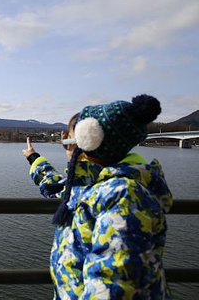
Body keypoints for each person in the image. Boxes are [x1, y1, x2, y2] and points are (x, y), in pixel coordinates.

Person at [22, 95, 172, 299]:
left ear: (89, 143)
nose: (66, 146)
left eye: (69, 141)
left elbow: (113, 286)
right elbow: (60, 188)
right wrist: (34, 158)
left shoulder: (123, 195)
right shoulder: (93, 186)